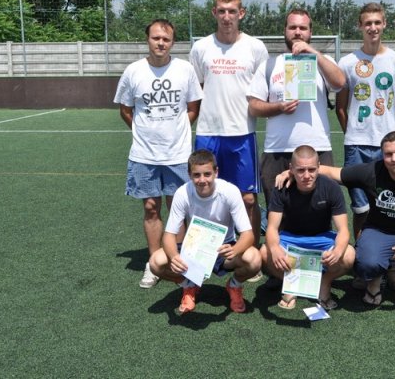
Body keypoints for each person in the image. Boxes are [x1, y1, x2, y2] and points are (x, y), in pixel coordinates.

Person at [276, 132, 395, 313]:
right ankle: (374, 280)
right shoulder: (373, 171)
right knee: (366, 262)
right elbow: (333, 172)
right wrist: (292, 172)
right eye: (388, 154)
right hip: (380, 232)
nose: (394, 158)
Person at [114, 19, 203, 288]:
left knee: (178, 209)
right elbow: (125, 110)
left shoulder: (185, 70)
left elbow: (193, 108)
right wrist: (145, 131)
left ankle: (179, 261)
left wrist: (175, 131)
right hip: (144, 155)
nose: (161, 43)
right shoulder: (133, 71)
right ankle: (154, 263)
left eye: (166, 39)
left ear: (173, 42)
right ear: (147, 39)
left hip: (178, 155)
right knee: (151, 208)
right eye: (156, 38)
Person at [189, 0, 268, 268]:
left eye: (232, 11)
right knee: (203, 194)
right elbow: (196, 90)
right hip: (208, 133)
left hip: (241, 134)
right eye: (221, 11)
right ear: (214, 13)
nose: (226, 17)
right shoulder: (201, 48)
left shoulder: (256, 48)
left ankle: (251, 255)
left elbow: (261, 91)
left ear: (241, 13)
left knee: (248, 199)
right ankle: (200, 259)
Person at [336, 2, 395, 291]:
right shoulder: (347, 62)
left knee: (390, 207)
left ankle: (391, 265)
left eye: (377, 22)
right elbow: (341, 107)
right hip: (356, 145)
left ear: (385, 24)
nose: (373, 28)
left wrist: (387, 133)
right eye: (368, 23)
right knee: (361, 209)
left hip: (386, 148)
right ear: (360, 26)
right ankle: (363, 264)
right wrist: (355, 131)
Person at [247, 8, 346, 207]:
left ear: (310, 32)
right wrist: (279, 107)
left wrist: (313, 53)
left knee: (320, 210)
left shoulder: (324, 61)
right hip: (277, 151)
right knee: (278, 212)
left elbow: (340, 82)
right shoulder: (269, 65)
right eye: (293, 27)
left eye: (303, 28)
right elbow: (254, 107)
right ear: (285, 30)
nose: (298, 32)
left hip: (318, 149)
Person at [149, 149, 261, 314]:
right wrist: (174, 257)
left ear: (216, 172)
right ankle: (188, 286)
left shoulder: (230, 191)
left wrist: (235, 250)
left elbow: (248, 235)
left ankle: (234, 285)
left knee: (254, 259)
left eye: (207, 174)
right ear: (189, 175)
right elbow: (168, 236)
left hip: (223, 248)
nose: (202, 180)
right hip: (193, 248)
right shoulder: (182, 193)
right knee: (155, 262)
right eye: (196, 175)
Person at [261, 145, 355, 310]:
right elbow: (272, 228)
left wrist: (338, 251)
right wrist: (275, 249)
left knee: (348, 254)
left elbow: (343, 230)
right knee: (264, 252)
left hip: (322, 238)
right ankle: (291, 283)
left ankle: (324, 282)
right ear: (291, 168)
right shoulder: (282, 188)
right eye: (300, 170)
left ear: (319, 167)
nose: (306, 175)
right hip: (290, 238)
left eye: (311, 170)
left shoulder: (331, 187)